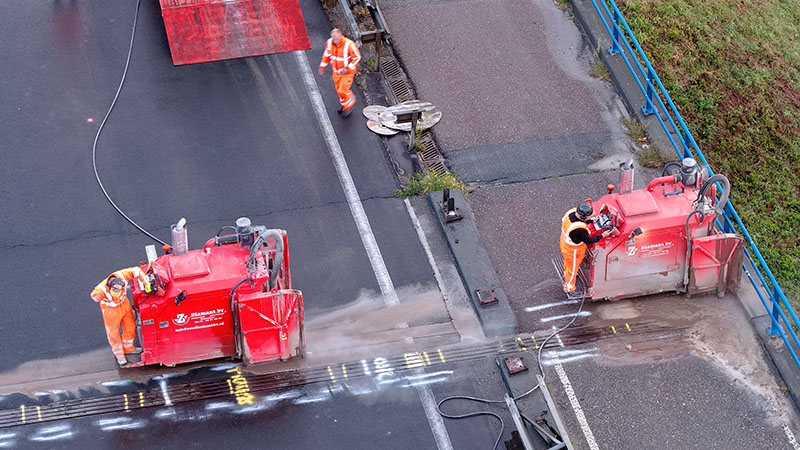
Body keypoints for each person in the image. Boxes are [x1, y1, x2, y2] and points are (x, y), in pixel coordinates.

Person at [90, 267, 151, 366]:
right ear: (109, 286)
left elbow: (137, 271)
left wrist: (146, 283)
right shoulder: (100, 290)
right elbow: (94, 296)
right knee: (113, 334)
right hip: (111, 311)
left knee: (130, 327)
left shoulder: (123, 275)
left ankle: (129, 348)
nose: (116, 295)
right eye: (114, 293)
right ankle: (120, 356)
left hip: (124, 305)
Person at [560, 202, 613, 298]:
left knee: (568, 264)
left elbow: (580, 221)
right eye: (589, 217)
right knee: (573, 268)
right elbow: (588, 240)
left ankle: (567, 276)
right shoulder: (579, 230)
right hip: (574, 250)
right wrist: (602, 235)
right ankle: (569, 288)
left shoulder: (571, 213)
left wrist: (591, 221)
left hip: (565, 244)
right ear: (583, 217)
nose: (591, 217)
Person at [318, 28, 361, 118]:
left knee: (342, 90)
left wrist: (348, 68)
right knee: (339, 91)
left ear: (341, 36)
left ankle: (349, 102)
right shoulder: (329, 43)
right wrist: (322, 66)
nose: (336, 41)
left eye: (338, 39)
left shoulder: (349, 45)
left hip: (347, 73)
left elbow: (357, 57)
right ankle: (345, 105)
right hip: (336, 72)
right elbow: (326, 55)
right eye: (334, 39)